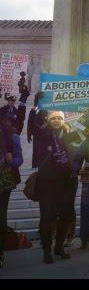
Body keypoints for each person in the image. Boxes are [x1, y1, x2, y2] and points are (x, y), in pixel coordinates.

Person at [36, 111, 79, 263]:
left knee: (66, 216)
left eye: (59, 118)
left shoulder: (70, 133)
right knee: (47, 217)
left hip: (67, 181)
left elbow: (78, 151)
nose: (56, 121)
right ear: (48, 120)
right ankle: (47, 250)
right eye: (53, 118)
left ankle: (59, 247)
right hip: (48, 182)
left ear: (63, 120)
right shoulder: (43, 134)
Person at [0, 112, 23, 268]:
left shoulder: (12, 137)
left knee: (1, 219)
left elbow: (19, 159)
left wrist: (10, 160)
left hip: (4, 181)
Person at [27, 92, 48, 168]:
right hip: (37, 134)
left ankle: (43, 166)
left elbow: (48, 120)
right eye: (39, 99)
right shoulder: (34, 109)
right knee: (36, 151)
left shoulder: (46, 109)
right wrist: (29, 135)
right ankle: (35, 166)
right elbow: (30, 123)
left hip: (45, 134)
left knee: (44, 151)